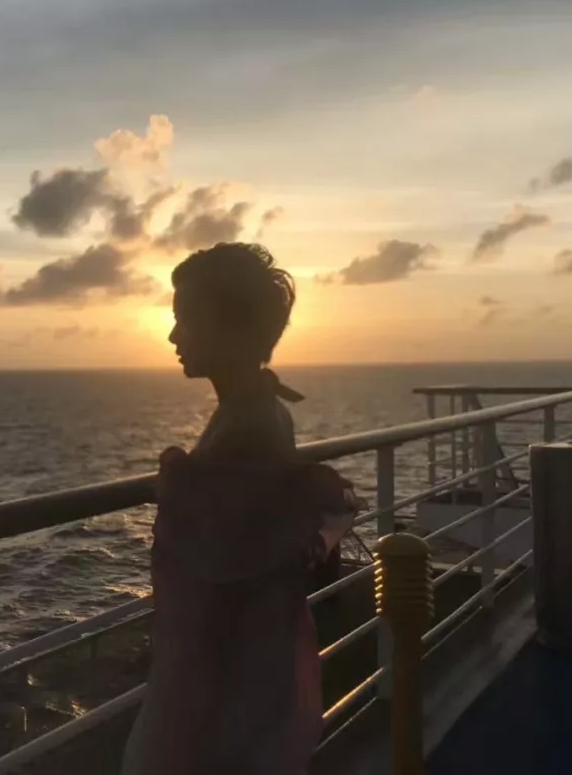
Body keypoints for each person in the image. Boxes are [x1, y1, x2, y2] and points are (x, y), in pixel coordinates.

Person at [121, 243, 362, 775]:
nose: (173, 336)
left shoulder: (248, 425)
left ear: (232, 329)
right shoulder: (257, 411)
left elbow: (221, 554)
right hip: (246, 664)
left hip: (227, 679)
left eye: (186, 319)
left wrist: (176, 477)